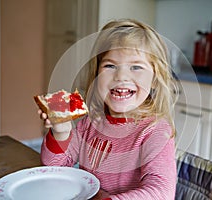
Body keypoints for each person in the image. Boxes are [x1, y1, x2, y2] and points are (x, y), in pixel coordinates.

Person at [39, 19, 178, 200]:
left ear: (154, 79)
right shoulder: (91, 123)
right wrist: (61, 132)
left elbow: (162, 192)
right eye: (110, 66)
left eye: (136, 67)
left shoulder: (155, 131)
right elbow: (54, 167)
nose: (121, 76)